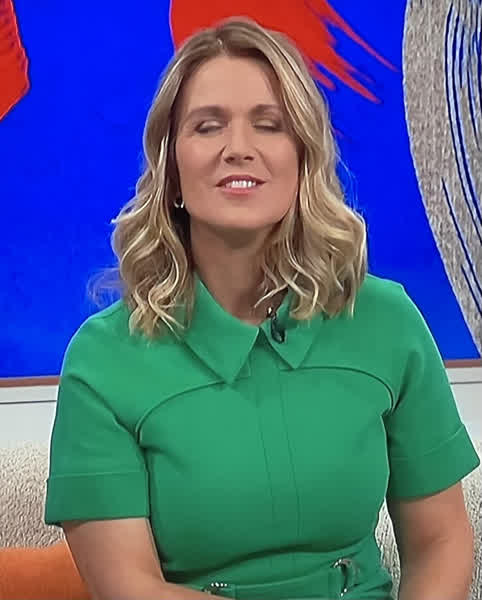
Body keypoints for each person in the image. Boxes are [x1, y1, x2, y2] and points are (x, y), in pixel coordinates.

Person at [44, 17, 480, 600]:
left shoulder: (386, 321)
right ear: (171, 168)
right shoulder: (104, 361)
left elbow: (441, 541)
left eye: (269, 125)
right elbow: (129, 589)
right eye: (208, 126)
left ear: (302, 159)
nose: (239, 149)